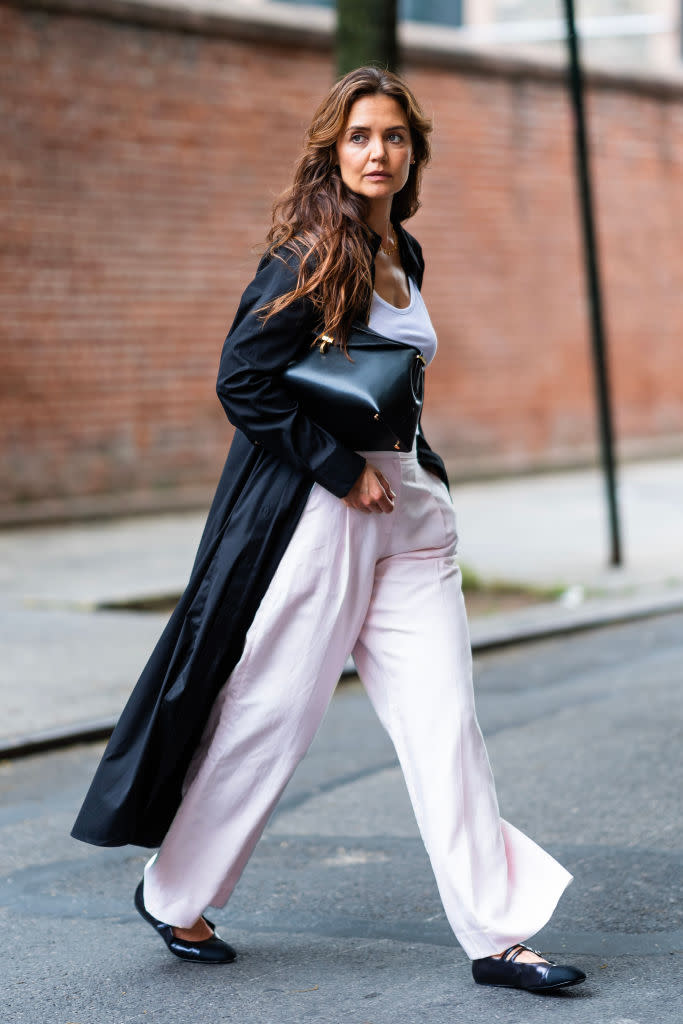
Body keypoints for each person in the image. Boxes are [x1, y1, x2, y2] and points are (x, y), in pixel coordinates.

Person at [72, 66, 585, 994]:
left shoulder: (406, 252)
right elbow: (243, 381)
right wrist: (339, 469)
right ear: (331, 150)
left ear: (413, 150)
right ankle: (175, 891)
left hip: (414, 520)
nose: (377, 152)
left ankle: (499, 935)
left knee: (446, 728)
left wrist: (404, 470)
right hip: (325, 517)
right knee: (273, 715)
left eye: (393, 136)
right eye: (359, 136)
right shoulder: (308, 254)